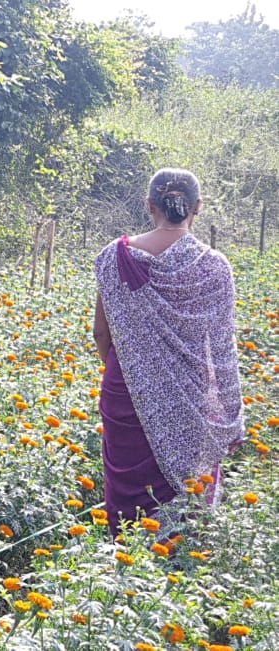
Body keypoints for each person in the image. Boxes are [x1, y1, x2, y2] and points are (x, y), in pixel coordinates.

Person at [93, 168, 245, 537]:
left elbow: (101, 334)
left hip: (126, 393)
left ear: (150, 206)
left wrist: (137, 369)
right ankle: (180, 571)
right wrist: (232, 415)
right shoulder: (214, 266)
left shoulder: (114, 257)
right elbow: (222, 351)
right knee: (185, 497)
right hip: (190, 398)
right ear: (198, 208)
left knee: (127, 505)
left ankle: (127, 566)